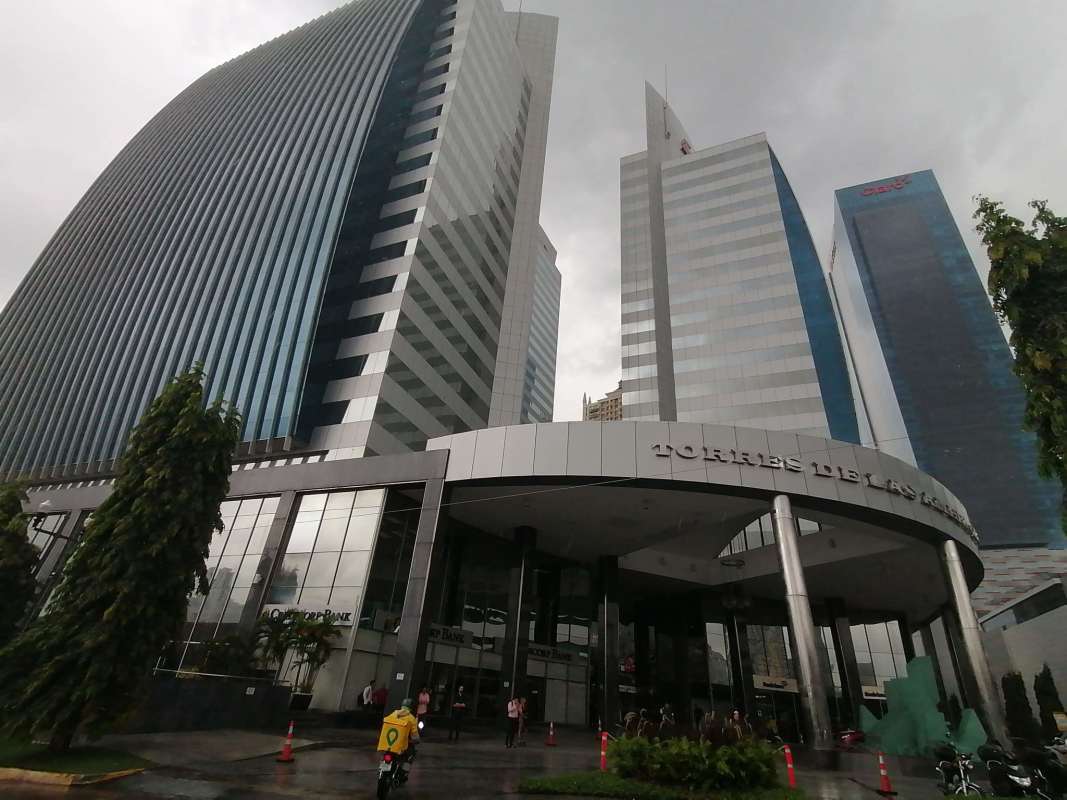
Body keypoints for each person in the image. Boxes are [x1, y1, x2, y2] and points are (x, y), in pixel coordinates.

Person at [377, 697, 420, 783]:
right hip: (401, 746)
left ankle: (382, 770)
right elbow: (414, 735)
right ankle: (404, 774)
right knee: (410, 756)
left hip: (389, 744)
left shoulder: (393, 713)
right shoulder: (411, 719)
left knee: (386, 756)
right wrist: (416, 740)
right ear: (411, 707)